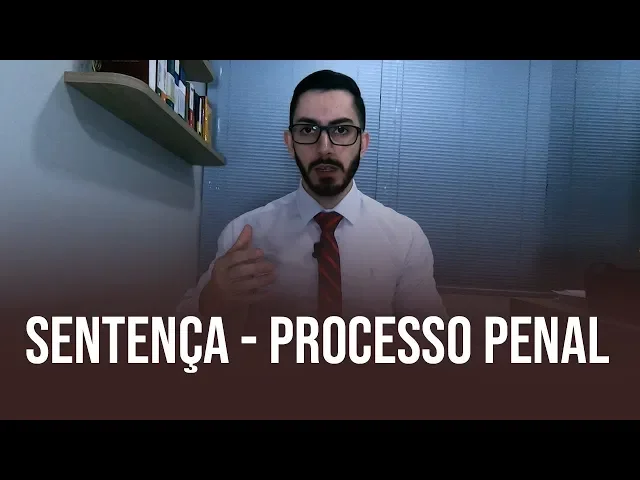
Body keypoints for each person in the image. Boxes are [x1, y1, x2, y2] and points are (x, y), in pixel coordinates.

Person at [177, 69, 446, 326]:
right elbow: (179, 334)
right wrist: (212, 300)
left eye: (341, 130)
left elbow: (433, 341)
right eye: (307, 130)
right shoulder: (244, 235)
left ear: (363, 144)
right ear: (290, 143)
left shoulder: (406, 238)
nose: (324, 148)